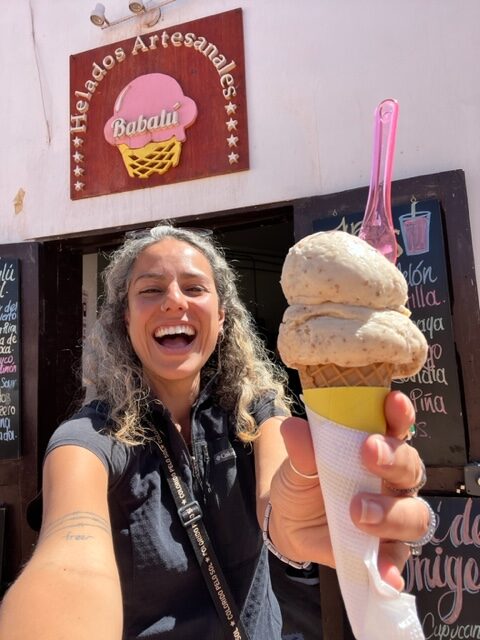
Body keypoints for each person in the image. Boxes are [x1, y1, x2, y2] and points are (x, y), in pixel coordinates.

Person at [0, 223, 432, 640]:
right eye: (151, 290)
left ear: (222, 317)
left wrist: (299, 512)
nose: (173, 301)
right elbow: (70, 560)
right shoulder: (89, 438)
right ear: (124, 321)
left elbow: (278, 499)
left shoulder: (256, 410)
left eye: (194, 288)